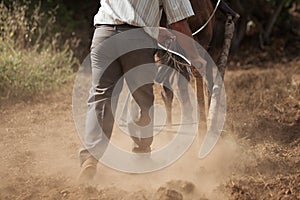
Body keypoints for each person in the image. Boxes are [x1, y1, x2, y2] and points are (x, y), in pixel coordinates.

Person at [78, 0, 206, 181]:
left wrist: (152, 29)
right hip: (136, 40)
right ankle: (141, 156)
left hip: (103, 33)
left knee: (100, 97)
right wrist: (195, 57)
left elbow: (126, 13)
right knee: (141, 99)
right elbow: (179, 22)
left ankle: (90, 158)